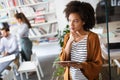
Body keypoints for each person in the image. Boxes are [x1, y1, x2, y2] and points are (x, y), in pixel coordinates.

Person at [59, 1, 103, 80]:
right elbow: (63, 60)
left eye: (75, 21)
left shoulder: (93, 38)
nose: (71, 24)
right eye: (69, 20)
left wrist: (81, 65)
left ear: (84, 21)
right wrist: (70, 41)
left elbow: (98, 64)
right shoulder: (67, 37)